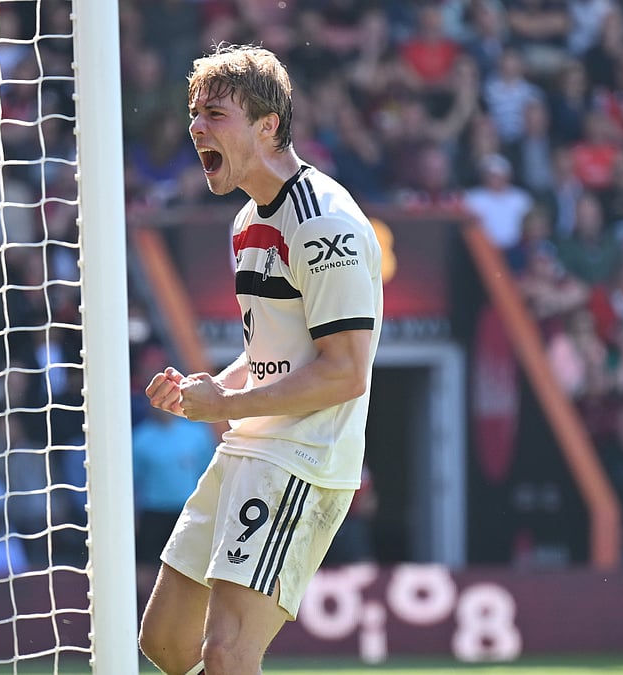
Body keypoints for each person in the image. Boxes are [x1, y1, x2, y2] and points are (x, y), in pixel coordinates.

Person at [138, 44, 383, 675]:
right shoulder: (247, 221)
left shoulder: (325, 223)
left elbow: (344, 372)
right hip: (247, 447)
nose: (196, 127)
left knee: (226, 652)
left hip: (304, 457)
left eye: (214, 114)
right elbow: (268, 355)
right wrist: (207, 388)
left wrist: (227, 404)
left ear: (267, 125)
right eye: (194, 114)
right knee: (165, 643)